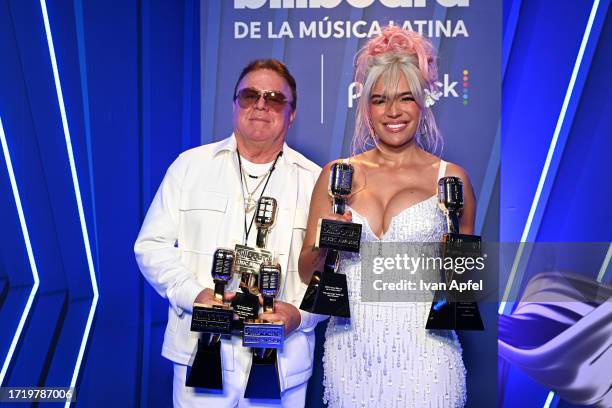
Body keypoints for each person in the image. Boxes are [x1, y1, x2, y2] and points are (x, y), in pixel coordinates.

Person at [298, 26, 475, 407]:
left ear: (422, 104)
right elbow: (305, 271)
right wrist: (325, 242)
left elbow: (464, 289)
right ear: (366, 108)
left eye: (405, 98)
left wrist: (456, 263)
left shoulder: (451, 179)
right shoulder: (336, 177)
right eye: (380, 100)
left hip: (428, 355)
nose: (393, 112)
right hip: (351, 350)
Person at [135, 59, 323, 407]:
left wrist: (299, 315)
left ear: (292, 112)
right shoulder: (190, 166)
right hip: (200, 351)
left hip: (282, 362)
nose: (261, 105)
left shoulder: (316, 182)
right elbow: (151, 246)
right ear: (235, 103)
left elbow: (334, 274)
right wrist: (194, 294)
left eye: (274, 98)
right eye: (250, 95)